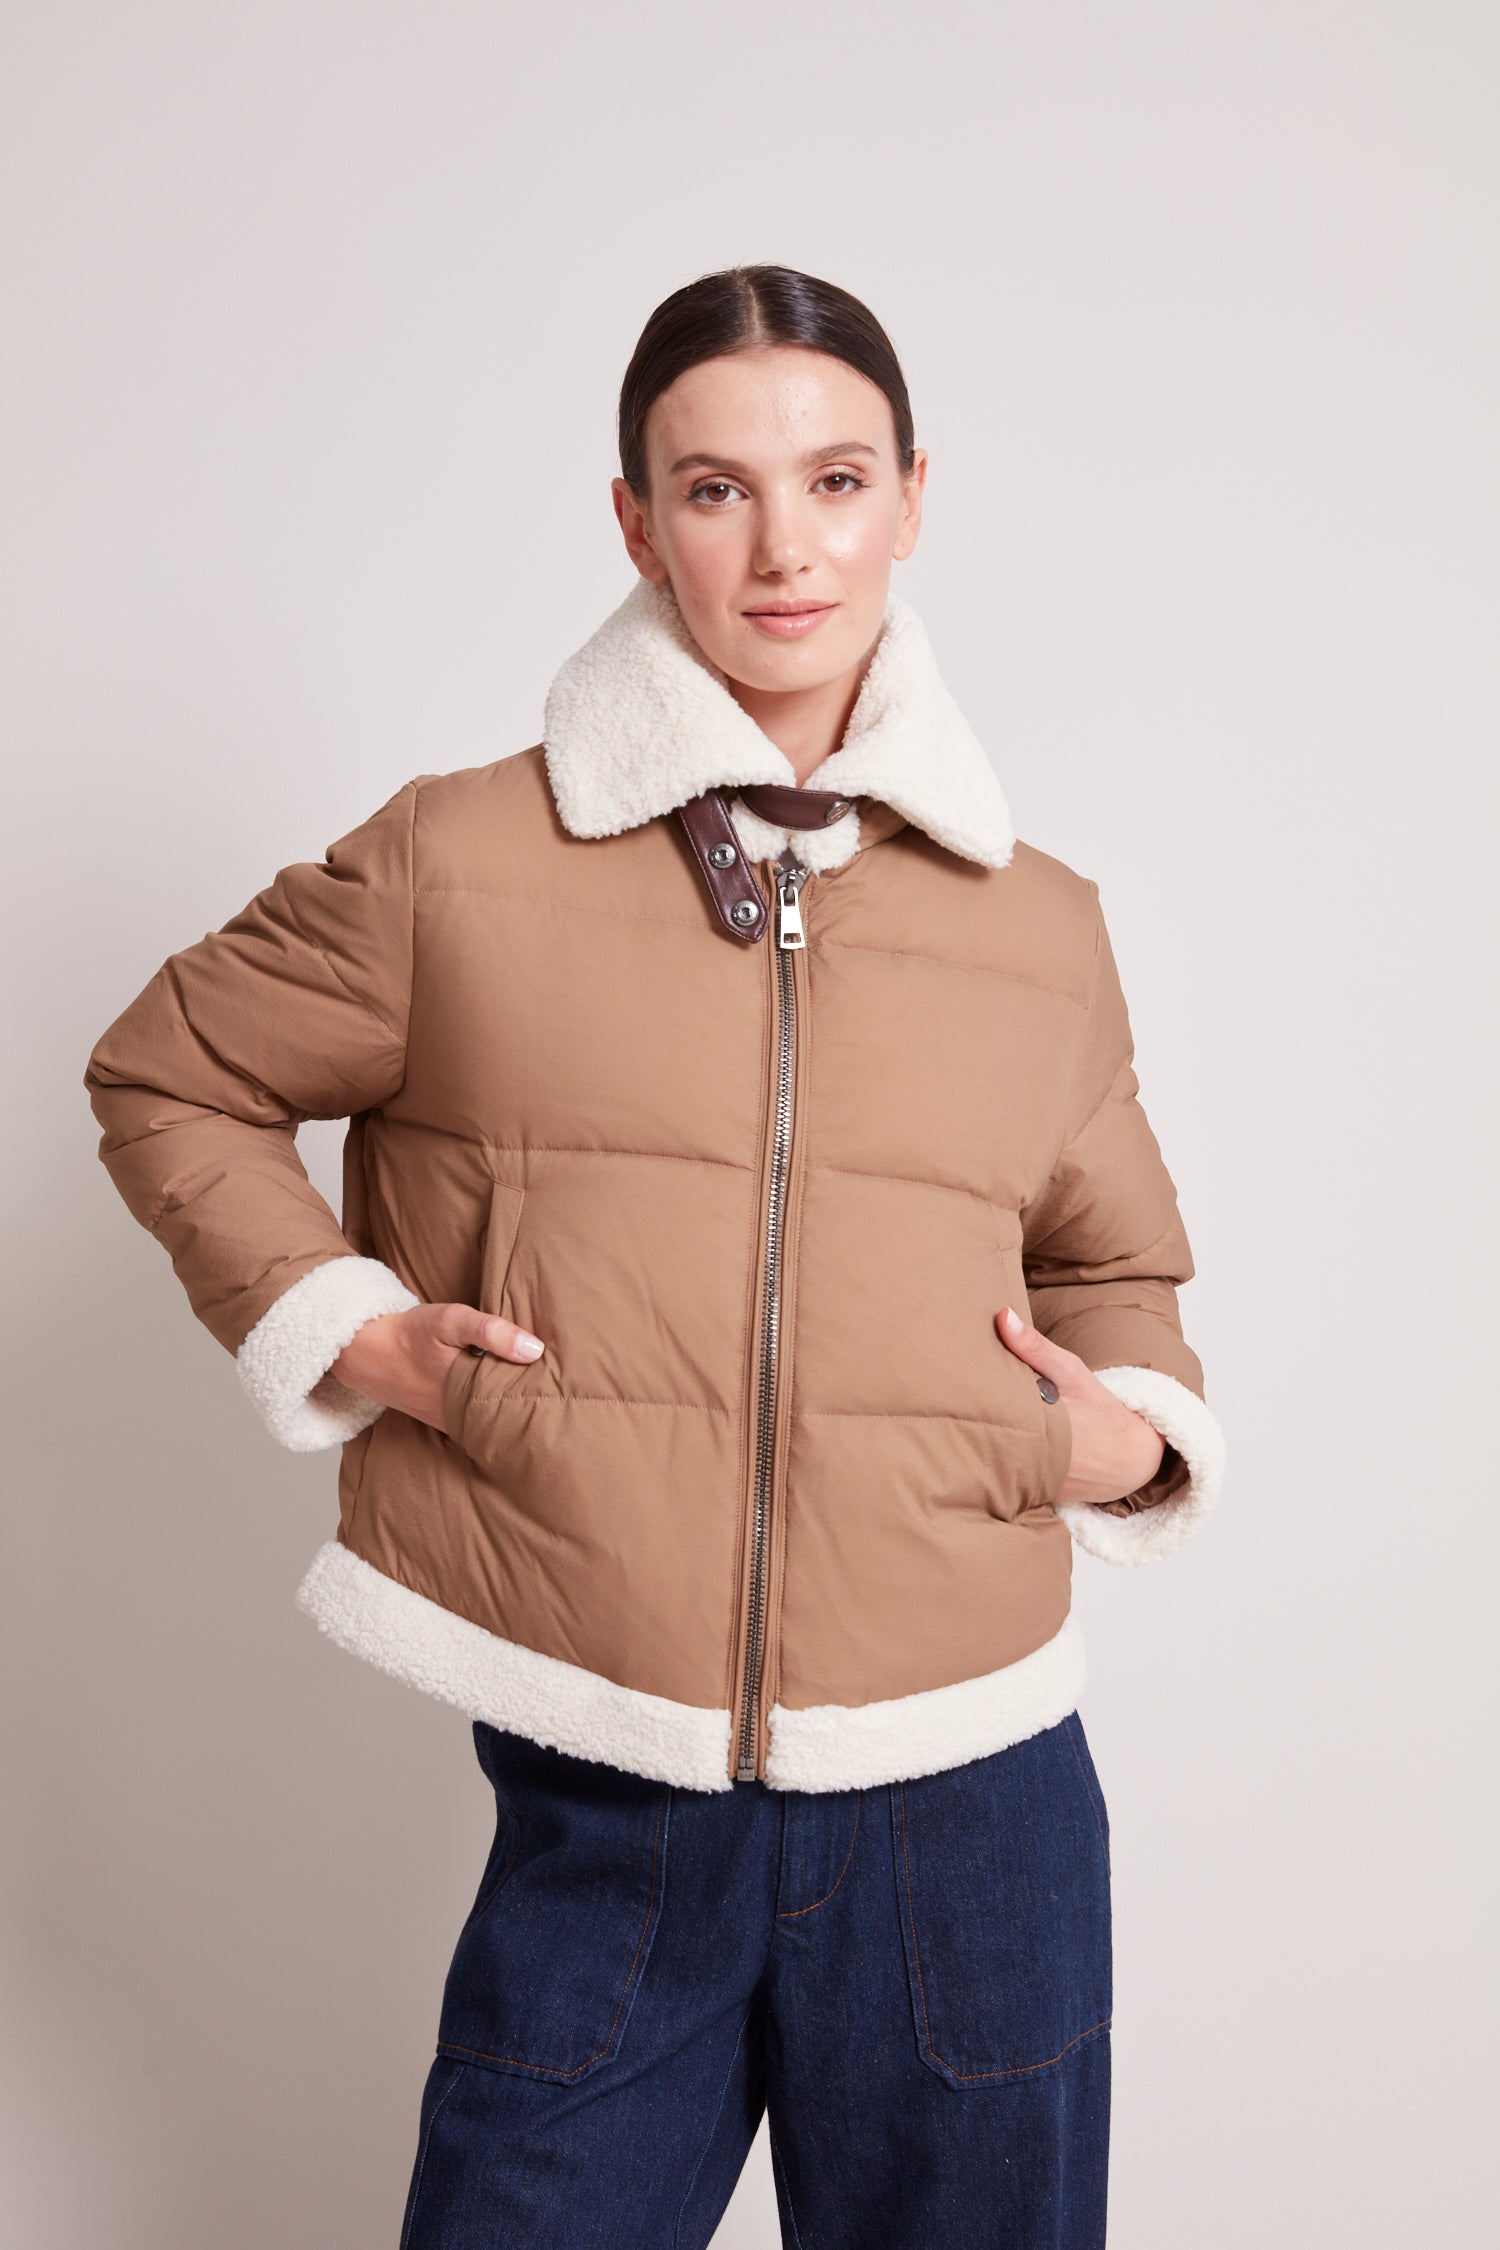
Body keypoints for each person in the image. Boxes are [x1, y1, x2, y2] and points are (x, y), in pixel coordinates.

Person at [84, 263, 1226, 2248]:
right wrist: (358, 1337)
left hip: (974, 1811)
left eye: (837, 479)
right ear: (635, 521)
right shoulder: (459, 861)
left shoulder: (1039, 924)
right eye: (716, 489)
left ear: (914, 499)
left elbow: (1118, 1267)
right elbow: (168, 1072)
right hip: (608, 1789)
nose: (786, 547)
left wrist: (1115, 1441)